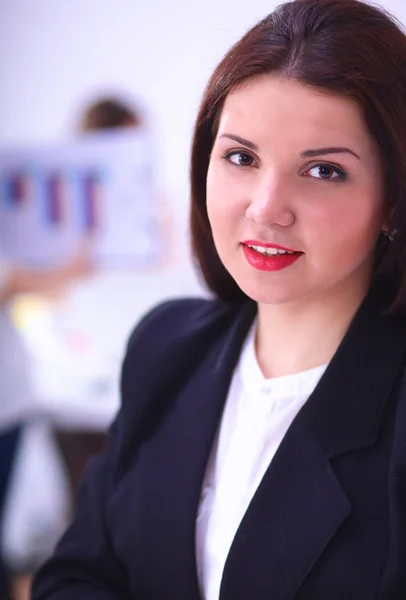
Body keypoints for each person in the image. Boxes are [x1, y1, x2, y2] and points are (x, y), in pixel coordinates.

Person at [31, 0, 406, 597]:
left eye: (323, 171)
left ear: (392, 199)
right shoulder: (165, 348)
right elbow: (76, 575)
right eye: (241, 157)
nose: (265, 208)